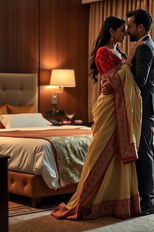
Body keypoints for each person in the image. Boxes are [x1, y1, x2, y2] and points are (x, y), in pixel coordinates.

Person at [51, 16, 143, 220]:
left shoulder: (118, 51)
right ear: (111, 31)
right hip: (108, 106)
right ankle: (87, 199)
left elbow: (118, 77)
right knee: (100, 151)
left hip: (116, 106)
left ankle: (114, 200)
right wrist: (130, 60)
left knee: (117, 155)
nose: (125, 34)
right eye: (121, 30)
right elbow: (111, 81)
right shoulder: (103, 51)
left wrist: (126, 63)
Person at [126, 9, 154, 215]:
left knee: (145, 153)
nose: (128, 29)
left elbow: (139, 81)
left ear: (140, 27)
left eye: (130, 26)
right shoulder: (149, 45)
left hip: (145, 107)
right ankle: (150, 197)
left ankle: (149, 202)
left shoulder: (144, 48)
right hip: (149, 105)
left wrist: (125, 67)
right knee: (146, 151)